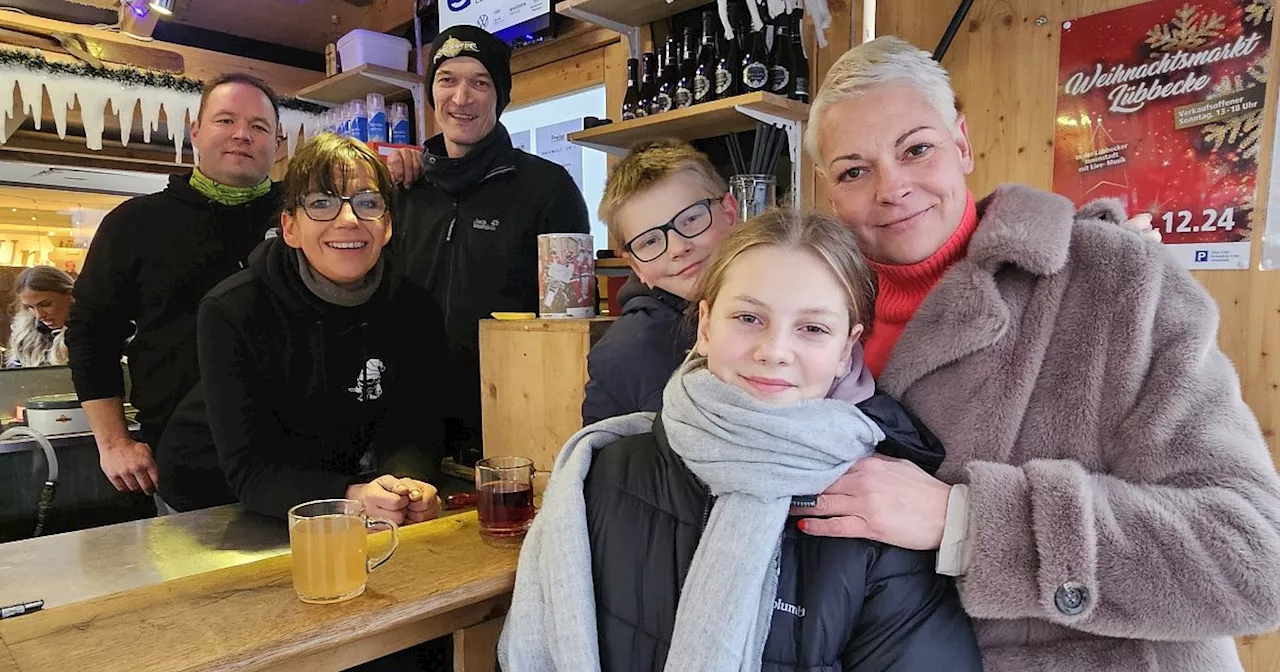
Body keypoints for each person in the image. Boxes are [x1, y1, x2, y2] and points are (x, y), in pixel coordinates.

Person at [790, 37, 1280, 671]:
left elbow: (1256, 558)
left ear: (961, 144)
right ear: (830, 193)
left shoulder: (1115, 282)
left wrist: (971, 522)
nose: (893, 188)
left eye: (917, 149)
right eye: (855, 170)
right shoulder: (809, 322)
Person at [501, 210, 982, 671]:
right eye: (749, 318)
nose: (773, 351)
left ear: (845, 350)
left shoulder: (878, 519)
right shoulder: (596, 476)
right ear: (706, 325)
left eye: (812, 329)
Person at [156, 133, 445, 522]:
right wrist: (352, 496)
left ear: (387, 225)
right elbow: (250, 469)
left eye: (367, 202)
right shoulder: (233, 309)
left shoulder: (414, 308)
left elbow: (413, 428)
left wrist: (407, 486)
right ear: (290, 227)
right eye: (322, 203)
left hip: (330, 492)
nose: (348, 219)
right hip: (213, 498)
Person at [66, 73, 285, 498]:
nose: (242, 135)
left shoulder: (308, 217)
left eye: (259, 127)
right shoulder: (134, 223)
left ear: (277, 144)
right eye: (226, 121)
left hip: (300, 463)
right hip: (185, 466)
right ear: (196, 132)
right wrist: (113, 443)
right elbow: (91, 333)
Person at [392, 25, 591, 468]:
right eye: (447, 80)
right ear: (432, 92)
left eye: (480, 82)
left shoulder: (546, 188)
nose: (461, 98)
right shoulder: (404, 187)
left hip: (514, 426)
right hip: (407, 427)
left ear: (500, 97)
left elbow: (571, 323)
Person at [581, 139, 739, 425]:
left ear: (729, 211)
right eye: (651, 241)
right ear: (635, 265)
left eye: (691, 219)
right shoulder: (628, 352)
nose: (678, 248)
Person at [6, 266, 74, 368]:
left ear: (71, 295)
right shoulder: (25, 334)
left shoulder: (94, 333)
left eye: (45, 304)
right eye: (30, 307)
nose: (39, 315)